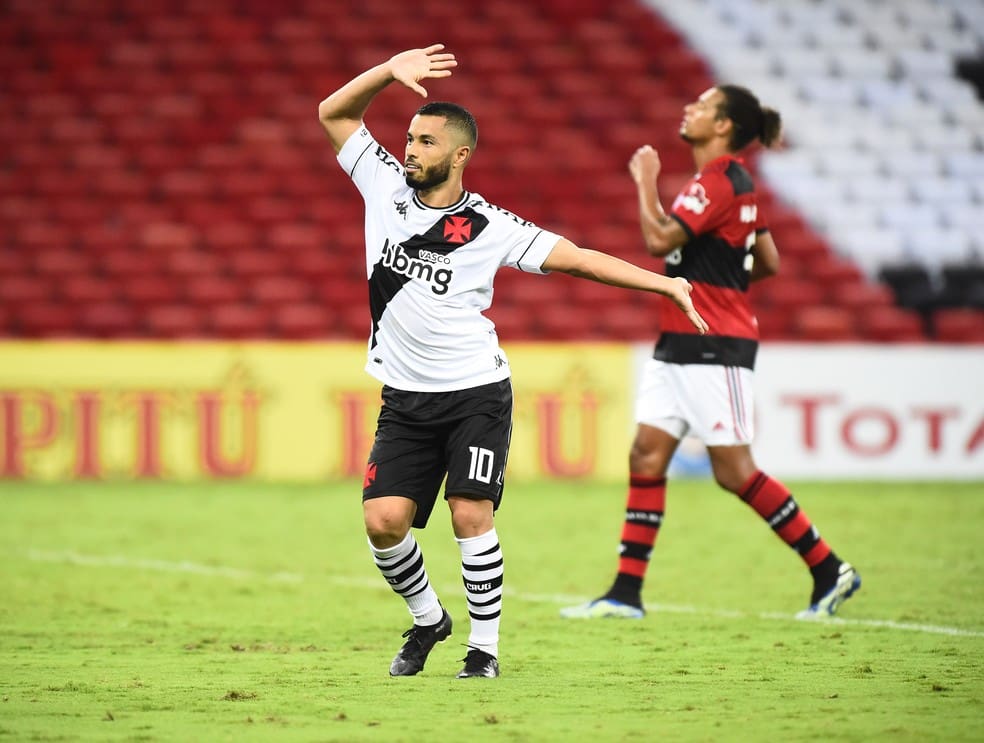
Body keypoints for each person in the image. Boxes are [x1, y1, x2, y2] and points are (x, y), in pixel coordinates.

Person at [317, 44, 709, 679]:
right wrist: (389, 73)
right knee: (383, 522)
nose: (409, 149)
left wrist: (663, 284)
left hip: (476, 392)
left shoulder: (491, 226)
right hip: (405, 397)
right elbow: (334, 115)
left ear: (460, 154)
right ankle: (428, 621)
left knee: (470, 512)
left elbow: (580, 258)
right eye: (408, 138)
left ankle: (484, 651)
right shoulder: (384, 187)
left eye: (424, 141)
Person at [561, 85, 861, 621]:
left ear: (723, 126)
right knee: (646, 455)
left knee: (734, 470)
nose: (688, 109)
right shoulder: (728, 185)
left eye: (701, 106)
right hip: (679, 341)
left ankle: (828, 567)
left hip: (712, 345)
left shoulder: (718, 182)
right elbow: (765, 258)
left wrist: (646, 182)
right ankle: (626, 594)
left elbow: (657, 242)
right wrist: (725, 270)